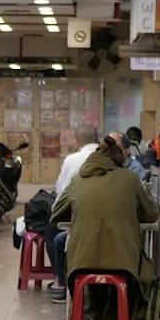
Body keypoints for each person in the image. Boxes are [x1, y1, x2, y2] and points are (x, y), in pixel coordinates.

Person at [51, 134, 160, 310]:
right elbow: (152, 215)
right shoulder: (130, 179)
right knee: (133, 275)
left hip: (80, 266)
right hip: (125, 266)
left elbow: (55, 214)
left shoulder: (78, 180)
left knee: (92, 273)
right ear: (120, 159)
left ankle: (93, 316)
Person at [42, 125, 99, 303]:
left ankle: (61, 281)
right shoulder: (108, 158)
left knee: (52, 232)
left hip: (78, 215)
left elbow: (62, 189)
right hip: (102, 219)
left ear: (76, 142)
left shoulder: (72, 160)